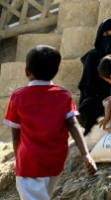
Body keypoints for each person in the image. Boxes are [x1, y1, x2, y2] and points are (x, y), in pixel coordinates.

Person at [4, 46, 96, 200]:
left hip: (29, 163)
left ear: (27, 71)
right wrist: (85, 154)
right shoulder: (63, 95)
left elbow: (15, 135)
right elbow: (73, 125)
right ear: (56, 70)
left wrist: (18, 160)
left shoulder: (18, 96)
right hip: (55, 162)